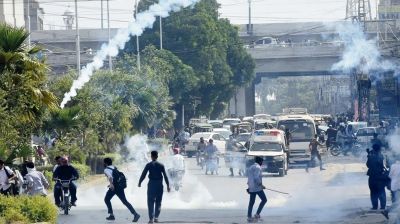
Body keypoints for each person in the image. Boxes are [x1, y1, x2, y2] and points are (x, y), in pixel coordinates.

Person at [103, 158, 140, 222]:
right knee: (124, 201)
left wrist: (111, 185)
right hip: (119, 186)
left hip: (114, 187)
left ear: (105, 163)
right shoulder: (114, 167)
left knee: (106, 199)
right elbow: (115, 177)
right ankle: (135, 214)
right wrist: (111, 184)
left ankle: (111, 215)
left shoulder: (106, 169)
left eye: (104, 162)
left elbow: (110, 177)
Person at [138, 151, 170, 224]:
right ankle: (156, 217)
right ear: (157, 156)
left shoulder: (148, 165)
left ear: (151, 156)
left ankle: (151, 219)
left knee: (150, 202)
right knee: (158, 201)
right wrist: (168, 185)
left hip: (151, 184)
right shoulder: (161, 165)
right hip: (159, 185)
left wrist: (140, 182)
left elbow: (143, 174)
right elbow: (165, 176)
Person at [366, 144, 387, 210]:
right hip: (380, 176)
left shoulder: (371, 156)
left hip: (373, 176)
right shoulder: (381, 156)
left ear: (374, 149)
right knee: (381, 191)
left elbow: (368, 165)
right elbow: (384, 165)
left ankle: (375, 206)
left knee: (373, 192)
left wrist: (369, 155)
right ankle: (382, 206)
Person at [247, 156, 267, 223]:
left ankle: (249, 217)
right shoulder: (258, 167)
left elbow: (249, 178)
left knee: (251, 202)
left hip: (252, 187)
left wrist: (249, 186)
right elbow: (256, 178)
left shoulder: (251, 167)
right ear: (260, 161)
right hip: (257, 188)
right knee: (264, 200)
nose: (262, 163)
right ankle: (257, 214)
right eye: (262, 162)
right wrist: (261, 185)